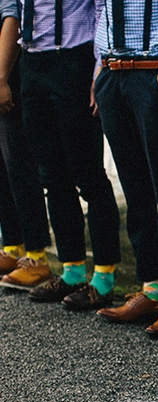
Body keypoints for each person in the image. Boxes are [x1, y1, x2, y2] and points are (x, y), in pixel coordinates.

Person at [93, 0, 158, 337]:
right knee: (135, 188)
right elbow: (102, 11)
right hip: (113, 74)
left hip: (150, 74)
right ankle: (151, 288)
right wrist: (101, 70)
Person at [12, 0, 121, 311]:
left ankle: (104, 277)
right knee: (52, 175)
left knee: (88, 175)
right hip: (32, 63)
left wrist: (98, 68)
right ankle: (72, 269)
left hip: (74, 61)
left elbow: (102, 9)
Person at [0, 3, 50, 286]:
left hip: (9, 70)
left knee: (18, 162)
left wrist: (2, 78)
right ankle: (12, 247)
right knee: (3, 164)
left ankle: (37, 254)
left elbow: (11, 17)